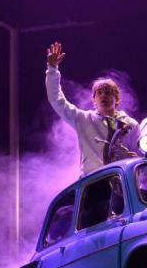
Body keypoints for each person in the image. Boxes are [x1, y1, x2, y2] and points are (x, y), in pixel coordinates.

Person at [45, 41, 138, 176]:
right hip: (92, 182)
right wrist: (52, 69)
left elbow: (140, 157)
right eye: (99, 93)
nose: (104, 95)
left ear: (117, 99)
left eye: (108, 92)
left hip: (121, 182)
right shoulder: (83, 119)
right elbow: (56, 99)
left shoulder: (131, 125)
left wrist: (131, 159)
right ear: (93, 99)